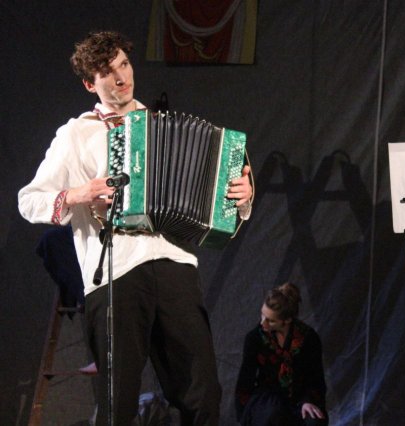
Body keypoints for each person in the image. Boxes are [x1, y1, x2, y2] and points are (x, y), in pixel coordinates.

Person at [18, 31, 253, 425]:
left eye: (124, 65)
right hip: (117, 270)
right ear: (90, 84)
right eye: (107, 72)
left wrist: (242, 197)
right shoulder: (77, 134)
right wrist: (80, 193)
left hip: (174, 263)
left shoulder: (162, 124)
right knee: (118, 403)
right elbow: (29, 201)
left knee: (203, 395)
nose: (121, 77)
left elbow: (213, 196)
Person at [235, 283, 328, 426]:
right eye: (262, 315)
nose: (263, 323)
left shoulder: (308, 338)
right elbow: (245, 380)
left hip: (299, 397)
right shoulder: (255, 338)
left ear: (287, 320)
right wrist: (243, 414)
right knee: (273, 415)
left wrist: (308, 401)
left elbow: (316, 378)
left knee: (314, 421)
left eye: (271, 320)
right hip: (267, 398)